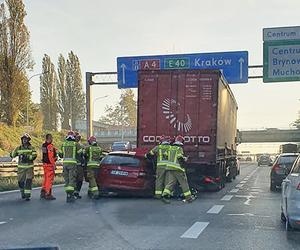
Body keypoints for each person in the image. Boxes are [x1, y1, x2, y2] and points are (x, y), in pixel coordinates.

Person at [162, 135, 193, 204]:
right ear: (181, 142)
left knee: (171, 183)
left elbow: (165, 156)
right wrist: (184, 161)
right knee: (183, 183)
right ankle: (189, 198)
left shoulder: (170, 148)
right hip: (178, 169)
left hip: (169, 168)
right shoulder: (179, 149)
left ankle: (165, 195)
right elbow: (179, 158)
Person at [10, 133, 37, 201]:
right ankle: (22, 193)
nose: (25, 140)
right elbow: (13, 155)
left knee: (28, 181)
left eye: (26, 139)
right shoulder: (18, 148)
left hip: (29, 168)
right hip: (21, 168)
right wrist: (13, 153)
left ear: (28, 140)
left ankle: (27, 195)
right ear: (22, 140)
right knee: (20, 181)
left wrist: (27, 157)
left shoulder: (31, 148)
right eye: (23, 139)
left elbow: (34, 155)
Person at [60, 131, 82, 203]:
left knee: (67, 180)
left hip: (65, 164)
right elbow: (80, 153)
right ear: (73, 137)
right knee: (72, 180)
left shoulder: (63, 144)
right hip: (72, 164)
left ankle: (68, 195)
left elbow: (60, 155)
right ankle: (71, 196)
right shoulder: (76, 144)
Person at [41, 134, 57, 200]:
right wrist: (54, 164)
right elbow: (50, 157)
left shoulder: (44, 145)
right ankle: (48, 194)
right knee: (49, 180)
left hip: (45, 164)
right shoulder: (50, 146)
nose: (52, 139)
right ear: (49, 138)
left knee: (45, 179)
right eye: (51, 138)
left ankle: (43, 192)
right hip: (49, 165)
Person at [74, 131, 85, 199]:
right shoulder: (77, 145)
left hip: (74, 165)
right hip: (78, 165)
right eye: (77, 137)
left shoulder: (79, 145)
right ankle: (75, 192)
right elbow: (81, 155)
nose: (78, 138)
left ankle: (74, 193)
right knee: (79, 180)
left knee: (76, 180)